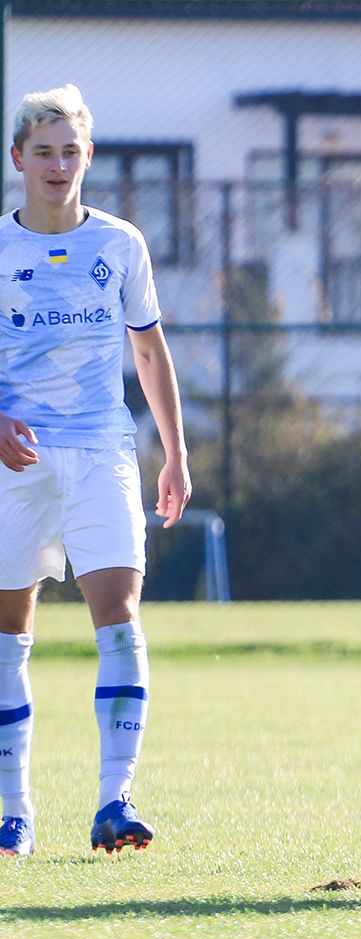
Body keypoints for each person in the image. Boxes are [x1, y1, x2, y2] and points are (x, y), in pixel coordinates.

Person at [0, 85, 191, 858]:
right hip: (17, 464)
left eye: (69, 151)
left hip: (103, 451)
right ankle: (13, 812)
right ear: (18, 159)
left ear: (88, 158)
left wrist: (175, 451)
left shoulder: (120, 244)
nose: (56, 164)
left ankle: (116, 801)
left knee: (120, 620)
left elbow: (148, 350)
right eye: (42, 151)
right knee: (10, 637)